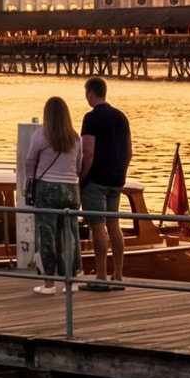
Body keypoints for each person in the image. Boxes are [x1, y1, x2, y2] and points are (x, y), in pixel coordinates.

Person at [20, 95, 82, 295]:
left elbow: (30, 161)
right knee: (70, 235)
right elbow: (78, 164)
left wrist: (29, 182)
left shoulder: (40, 135)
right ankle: (71, 282)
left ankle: (49, 284)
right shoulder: (75, 137)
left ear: (47, 114)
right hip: (71, 189)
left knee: (47, 235)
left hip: (47, 189)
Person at [79, 76, 131, 289]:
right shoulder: (121, 117)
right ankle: (118, 276)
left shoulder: (91, 118)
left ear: (91, 93)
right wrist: (122, 174)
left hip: (97, 179)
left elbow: (88, 151)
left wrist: (81, 177)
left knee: (97, 225)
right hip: (116, 179)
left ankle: (101, 277)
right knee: (114, 225)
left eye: (86, 93)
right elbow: (129, 152)